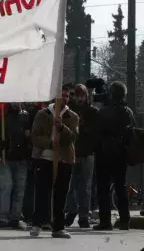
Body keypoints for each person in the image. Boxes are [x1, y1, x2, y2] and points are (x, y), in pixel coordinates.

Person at [29, 86, 78, 239]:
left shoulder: (72, 116)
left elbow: (72, 137)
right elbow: (35, 136)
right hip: (44, 159)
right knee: (42, 193)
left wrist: (61, 127)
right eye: (62, 95)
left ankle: (58, 227)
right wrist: (49, 143)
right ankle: (37, 224)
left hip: (64, 160)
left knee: (61, 194)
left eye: (67, 96)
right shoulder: (43, 114)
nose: (64, 98)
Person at [94, 81, 134, 231]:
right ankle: (125, 220)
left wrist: (98, 148)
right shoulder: (128, 112)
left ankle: (105, 221)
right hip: (121, 154)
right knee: (120, 186)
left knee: (103, 188)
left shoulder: (103, 112)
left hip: (104, 154)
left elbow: (97, 134)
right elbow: (132, 132)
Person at [64, 84, 99, 229]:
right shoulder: (68, 111)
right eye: (77, 95)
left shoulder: (92, 112)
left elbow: (94, 132)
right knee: (69, 186)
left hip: (86, 153)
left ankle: (83, 215)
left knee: (84, 187)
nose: (79, 98)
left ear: (86, 96)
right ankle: (72, 210)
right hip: (72, 151)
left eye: (82, 96)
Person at [0, 103, 31, 230]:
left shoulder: (27, 116)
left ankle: (15, 217)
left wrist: (28, 137)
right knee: (6, 187)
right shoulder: (2, 115)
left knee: (20, 189)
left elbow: (32, 137)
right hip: (5, 158)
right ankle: (3, 217)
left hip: (21, 158)